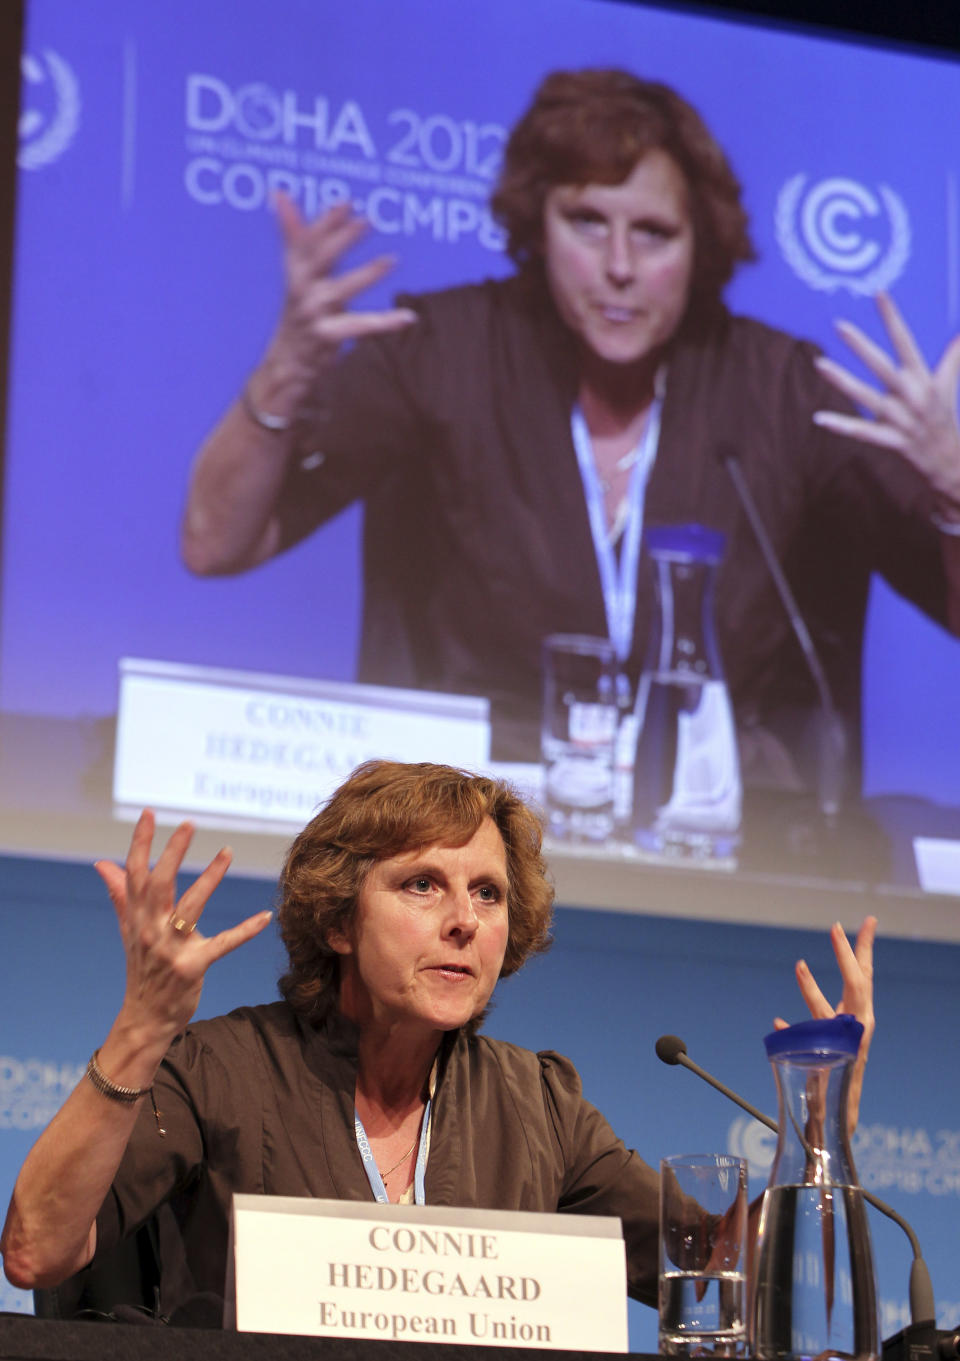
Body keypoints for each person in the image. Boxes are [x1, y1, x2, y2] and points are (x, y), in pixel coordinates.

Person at [179, 69, 960, 831]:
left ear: (701, 245)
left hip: (724, 849)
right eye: (588, 222)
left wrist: (954, 491)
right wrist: (282, 375)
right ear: (536, 225)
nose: (620, 266)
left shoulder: (782, 391)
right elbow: (214, 543)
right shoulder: (438, 352)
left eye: (654, 233)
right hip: (469, 846)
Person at [1, 761, 875, 1327]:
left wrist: (820, 1111)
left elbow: (730, 1268)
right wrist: (144, 1028)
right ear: (339, 918)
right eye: (423, 883)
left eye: (488, 894)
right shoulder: (219, 1070)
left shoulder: (534, 1103)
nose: (464, 919)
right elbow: (37, 1249)